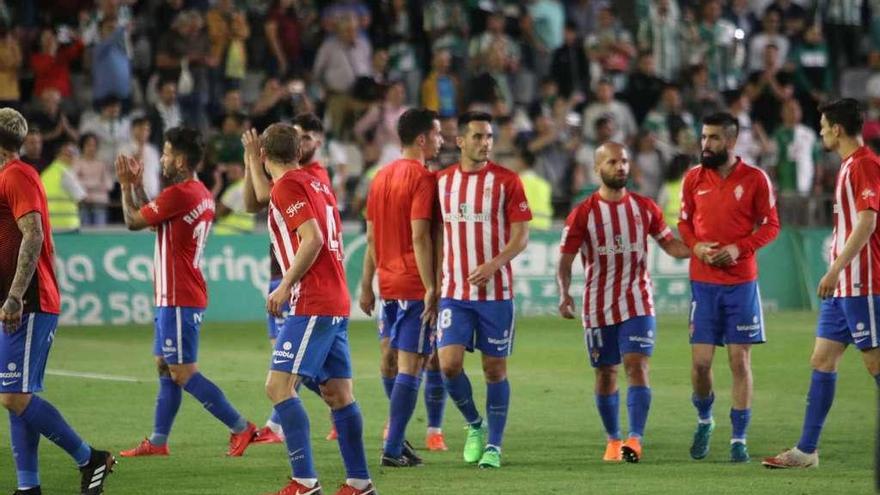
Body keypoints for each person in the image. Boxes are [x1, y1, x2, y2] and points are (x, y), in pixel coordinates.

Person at [116, 127, 258, 458]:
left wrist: (125, 186)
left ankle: (241, 427)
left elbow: (133, 221)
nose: (162, 158)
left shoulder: (180, 194)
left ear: (179, 160)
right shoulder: (198, 192)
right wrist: (137, 187)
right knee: (165, 364)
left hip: (179, 295)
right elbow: (153, 218)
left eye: (165, 153)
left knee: (182, 370)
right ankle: (158, 441)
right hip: (175, 293)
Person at [256, 122, 375, 495]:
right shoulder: (317, 183)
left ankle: (304, 481)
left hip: (313, 298)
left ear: (264, 156)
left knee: (278, 386)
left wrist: (286, 284)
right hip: (334, 298)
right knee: (339, 393)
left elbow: (313, 238)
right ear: (296, 151)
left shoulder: (288, 186)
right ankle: (359, 482)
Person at [0, 107, 114, 495]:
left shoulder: (17, 175)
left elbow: (32, 236)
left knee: (13, 395)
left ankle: (90, 458)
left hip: (29, 299)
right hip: (16, 300)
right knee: (19, 394)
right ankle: (28, 486)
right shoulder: (8, 176)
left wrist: (15, 295)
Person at [762, 98, 880, 469]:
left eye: (825, 126)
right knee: (822, 359)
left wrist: (834, 269)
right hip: (844, 285)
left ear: (839, 129)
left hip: (863, 282)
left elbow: (867, 222)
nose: (822, 132)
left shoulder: (865, 164)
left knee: (875, 364)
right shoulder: (847, 165)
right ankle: (807, 450)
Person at [558, 141, 691, 463]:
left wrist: (699, 250)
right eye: (613, 162)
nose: (621, 167)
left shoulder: (645, 207)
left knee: (637, 366)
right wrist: (565, 293)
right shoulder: (583, 213)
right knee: (606, 374)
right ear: (597, 168)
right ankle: (613, 439)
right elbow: (565, 261)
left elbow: (671, 246)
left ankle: (635, 438)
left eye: (625, 161)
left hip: (637, 302)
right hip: (597, 305)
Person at [678, 112, 780, 463]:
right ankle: (705, 419)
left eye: (714, 138)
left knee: (740, 360)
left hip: (740, 282)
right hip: (704, 282)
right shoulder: (693, 179)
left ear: (732, 141)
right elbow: (684, 223)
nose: (706, 145)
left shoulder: (755, 179)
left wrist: (740, 248)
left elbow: (771, 226)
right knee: (702, 363)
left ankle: (739, 439)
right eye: (704, 137)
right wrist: (696, 247)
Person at [436, 111, 532, 469]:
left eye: (489, 136)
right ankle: (474, 425)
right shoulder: (441, 182)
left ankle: (494, 445)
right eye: (477, 136)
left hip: (496, 294)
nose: (484, 143)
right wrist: (432, 287)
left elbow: (521, 236)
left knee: (495, 370)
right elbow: (432, 235)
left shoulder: (508, 181)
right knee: (448, 365)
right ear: (460, 141)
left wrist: (494, 264)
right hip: (454, 292)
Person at [241, 113, 334, 445]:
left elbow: (266, 197)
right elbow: (252, 201)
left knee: (285, 373)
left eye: (309, 135)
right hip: (283, 277)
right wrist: (252, 162)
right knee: (289, 363)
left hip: (298, 280)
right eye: (300, 135)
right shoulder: (289, 180)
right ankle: (292, 424)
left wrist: (255, 159)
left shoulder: (310, 176)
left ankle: (287, 440)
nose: (304, 140)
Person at [361, 108, 442, 467]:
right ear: (422, 139)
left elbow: (370, 236)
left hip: (387, 284)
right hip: (412, 284)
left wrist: (366, 285)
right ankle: (393, 449)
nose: (441, 140)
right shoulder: (424, 178)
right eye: (438, 134)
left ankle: (397, 438)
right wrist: (431, 286)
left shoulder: (380, 177)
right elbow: (421, 235)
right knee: (412, 364)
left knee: (392, 360)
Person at [42, 139, 86, 232]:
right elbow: (81, 197)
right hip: (67, 224)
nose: (72, 157)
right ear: (58, 155)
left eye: (73, 153)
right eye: (68, 153)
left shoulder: (46, 173)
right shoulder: (65, 172)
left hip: (48, 225)